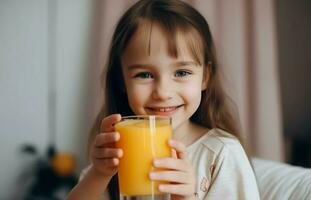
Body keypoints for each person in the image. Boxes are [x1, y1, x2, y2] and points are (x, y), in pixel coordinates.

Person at [67, 0, 260, 199]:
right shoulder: (119, 151)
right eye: (144, 75)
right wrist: (99, 174)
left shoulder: (221, 154)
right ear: (122, 81)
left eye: (182, 72)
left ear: (205, 77)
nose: (163, 92)